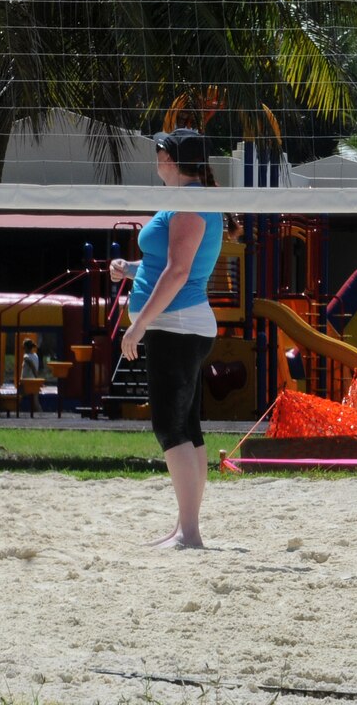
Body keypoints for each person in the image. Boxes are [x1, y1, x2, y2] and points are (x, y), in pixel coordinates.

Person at [109, 127, 227, 550]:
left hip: (176, 326)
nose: (155, 159)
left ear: (175, 160)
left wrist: (138, 327)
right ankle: (185, 527)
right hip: (180, 325)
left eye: (161, 153)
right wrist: (131, 269)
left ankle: (190, 533)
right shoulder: (187, 202)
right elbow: (167, 264)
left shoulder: (191, 204)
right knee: (186, 428)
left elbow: (179, 273)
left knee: (170, 426)